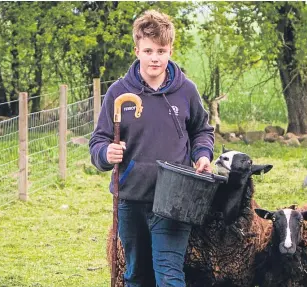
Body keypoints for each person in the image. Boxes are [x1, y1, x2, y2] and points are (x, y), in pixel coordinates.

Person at [89, 9, 214, 287]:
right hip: (130, 197)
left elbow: (202, 131)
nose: (155, 57)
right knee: (136, 275)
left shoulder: (186, 91)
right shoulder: (119, 92)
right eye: (148, 50)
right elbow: (98, 141)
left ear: (170, 50)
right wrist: (106, 154)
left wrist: (203, 155)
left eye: (161, 50)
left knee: (169, 276)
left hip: (174, 199)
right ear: (137, 51)